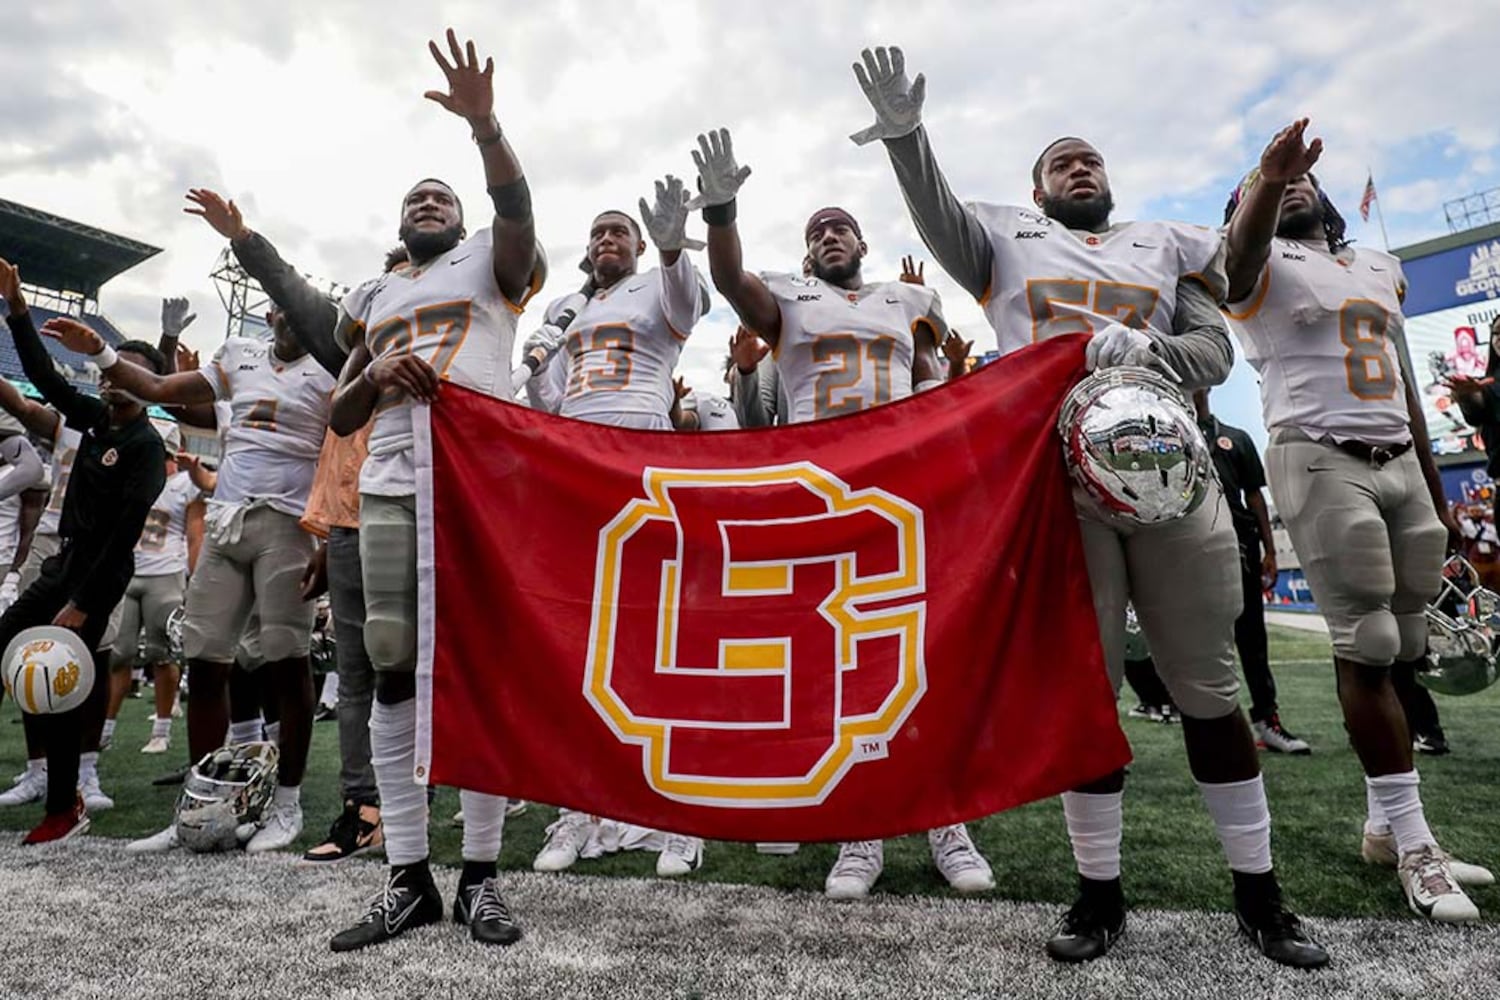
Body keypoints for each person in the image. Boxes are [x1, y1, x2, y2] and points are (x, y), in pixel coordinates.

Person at [851, 46, 1323, 967]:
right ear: (1039, 191)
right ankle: (1098, 893)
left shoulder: (1166, 243)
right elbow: (939, 215)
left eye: (1090, 158)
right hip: (1056, 480)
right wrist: (908, 139)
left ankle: (1262, 897)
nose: (1080, 166)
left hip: (1170, 468)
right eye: (1061, 161)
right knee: (1088, 695)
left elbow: (1219, 342)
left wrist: (1152, 352)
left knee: (1209, 688)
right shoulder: (1005, 241)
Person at [692, 126, 995, 899]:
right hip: (821, 493)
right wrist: (721, 209)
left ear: (860, 240)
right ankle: (860, 828)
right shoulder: (787, 301)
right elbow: (728, 280)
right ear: (805, 254)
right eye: (816, 230)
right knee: (839, 660)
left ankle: (944, 817)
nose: (830, 235)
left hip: (904, 488)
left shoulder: (908, 299)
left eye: (840, 226)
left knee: (922, 654)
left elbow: (931, 384)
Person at [1222, 118, 1491, 923]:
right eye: (1271, 185)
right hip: (1319, 451)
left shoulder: (1379, 264)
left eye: (1305, 178)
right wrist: (1265, 182)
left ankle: (1385, 824)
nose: (1295, 182)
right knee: (1368, 642)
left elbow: (1407, 380)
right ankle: (1415, 845)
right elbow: (1235, 262)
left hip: (1400, 460)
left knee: (1406, 642)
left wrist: (1437, 486)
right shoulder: (1259, 261)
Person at [325, 29, 543, 951]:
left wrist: (485, 129)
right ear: (400, 219)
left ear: (461, 219)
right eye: (416, 197)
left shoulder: (494, 265)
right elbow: (338, 416)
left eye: (440, 197)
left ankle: (483, 877)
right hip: (390, 482)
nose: (428, 203)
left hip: (481, 486)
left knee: (482, 670)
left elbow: (518, 206)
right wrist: (376, 378)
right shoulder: (375, 295)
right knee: (388, 662)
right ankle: (408, 877)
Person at [47, 298, 330, 856]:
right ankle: (199, 806)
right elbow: (156, 391)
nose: (290, 320)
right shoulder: (240, 355)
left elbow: (345, 449)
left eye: (303, 313)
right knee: (204, 662)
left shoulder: (328, 367)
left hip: (288, 522)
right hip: (226, 520)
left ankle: (287, 805)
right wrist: (101, 352)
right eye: (283, 310)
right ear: (270, 315)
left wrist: (325, 532)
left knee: (285, 662)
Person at [186, 202, 411, 866]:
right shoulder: (344, 356)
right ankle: (360, 808)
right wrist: (243, 239)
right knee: (357, 672)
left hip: (423, 512)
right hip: (346, 524)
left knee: (422, 668)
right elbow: (332, 449)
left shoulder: (459, 345)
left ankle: (421, 805)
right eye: (393, 281)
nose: (405, 291)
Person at [529, 184, 711, 880]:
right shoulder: (565, 309)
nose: (608, 240)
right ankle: (580, 809)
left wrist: (669, 245)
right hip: (575, 470)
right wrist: (542, 360)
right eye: (599, 233)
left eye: (620, 233)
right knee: (578, 644)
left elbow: (688, 307)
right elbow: (547, 403)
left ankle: (679, 815)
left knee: (660, 636)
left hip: (643, 460)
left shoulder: (656, 287)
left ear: (637, 248)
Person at [0, 256, 167, 844]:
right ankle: (55, 792)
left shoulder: (147, 448)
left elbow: (124, 536)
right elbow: (45, 380)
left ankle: (64, 808)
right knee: (12, 654)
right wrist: (18, 308)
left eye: (127, 371)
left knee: (66, 685)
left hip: (99, 573)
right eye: (110, 369)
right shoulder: (97, 421)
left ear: (147, 386)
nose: (111, 377)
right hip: (62, 562)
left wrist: (84, 601)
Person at [1191, 389, 1309, 754]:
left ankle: (1267, 721)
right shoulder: (1172, 434)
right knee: (1199, 642)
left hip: (1240, 545)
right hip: (1191, 546)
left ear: (1208, 385)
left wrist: (1270, 551)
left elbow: (1254, 496)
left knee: (1252, 638)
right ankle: (1210, 726)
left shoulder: (1236, 438)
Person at [100, 420, 204, 755]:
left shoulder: (185, 484)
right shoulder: (133, 477)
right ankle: (106, 727)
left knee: (162, 654)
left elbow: (194, 535)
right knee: (119, 654)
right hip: (127, 572)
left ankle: (161, 729)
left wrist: (193, 578)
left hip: (166, 573)